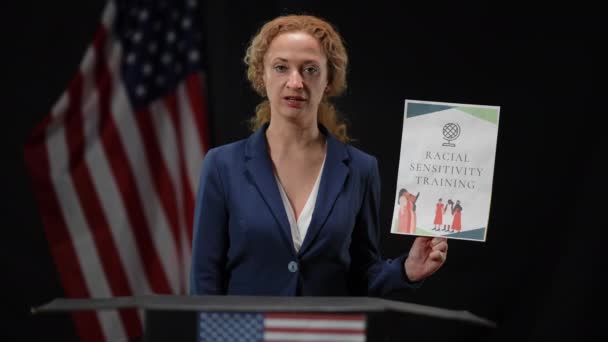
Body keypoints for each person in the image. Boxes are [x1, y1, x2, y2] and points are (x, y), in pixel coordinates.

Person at [190, 14, 448, 296]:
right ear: (261, 76)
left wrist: (406, 271)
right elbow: (205, 280)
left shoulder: (361, 169)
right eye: (280, 68)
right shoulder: (222, 165)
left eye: (310, 69)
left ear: (328, 80)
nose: (296, 82)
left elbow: (363, 276)